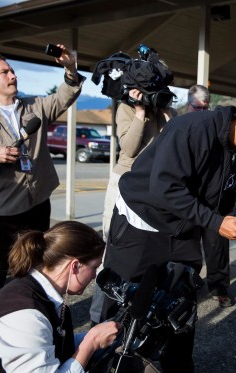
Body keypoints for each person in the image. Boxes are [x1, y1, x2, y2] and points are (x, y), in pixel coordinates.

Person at [100, 99, 236, 372]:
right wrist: (214, 222)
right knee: (125, 306)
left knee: (181, 312)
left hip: (183, 229)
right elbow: (164, 189)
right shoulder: (192, 129)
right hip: (141, 224)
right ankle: (106, 363)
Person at [0, 47, 85, 300]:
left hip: (38, 201)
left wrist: (70, 68)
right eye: (4, 72)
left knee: (37, 264)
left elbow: (65, 95)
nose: (12, 75)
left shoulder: (35, 106)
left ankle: (32, 308)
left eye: (13, 71)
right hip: (4, 208)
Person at [91, 66, 176, 324]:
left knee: (148, 248)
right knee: (114, 249)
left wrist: (167, 113)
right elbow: (128, 148)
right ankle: (100, 316)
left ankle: (140, 310)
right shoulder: (126, 109)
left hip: (154, 184)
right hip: (125, 181)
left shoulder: (164, 112)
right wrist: (140, 113)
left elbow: (177, 141)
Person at [0, 221, 120, 372]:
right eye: (94, 267)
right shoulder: (28, 316)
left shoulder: (33, 289)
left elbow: (53, 344)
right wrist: (91, 342)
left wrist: (98, 334)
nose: (94, 276)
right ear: (74, 266)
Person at [187, 84, 234, 307]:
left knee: (217, 245)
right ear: (188, 106)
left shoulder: (215, 127)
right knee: (186, 246)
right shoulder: (181, 126)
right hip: (187, 198)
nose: (202, 113)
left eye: (206, 108)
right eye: (198, 108)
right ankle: (185, 286)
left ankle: (219, 286)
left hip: (213, 198)